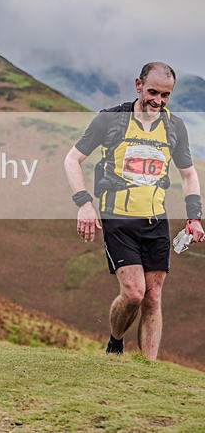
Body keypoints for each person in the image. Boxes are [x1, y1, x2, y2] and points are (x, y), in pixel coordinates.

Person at [64, 62, 203, 360]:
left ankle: (148, 371)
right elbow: (72, 159)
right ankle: (115, 341)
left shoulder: (175, 126)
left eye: (166, 95)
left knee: (153, 298)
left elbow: (189, 175)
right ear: (138, 85)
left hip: (156, 222)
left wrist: (194, 218)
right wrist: (84, 203)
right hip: (118, 220)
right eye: (152, 92)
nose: (158, 100)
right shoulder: (110, 120)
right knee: (134, 294)